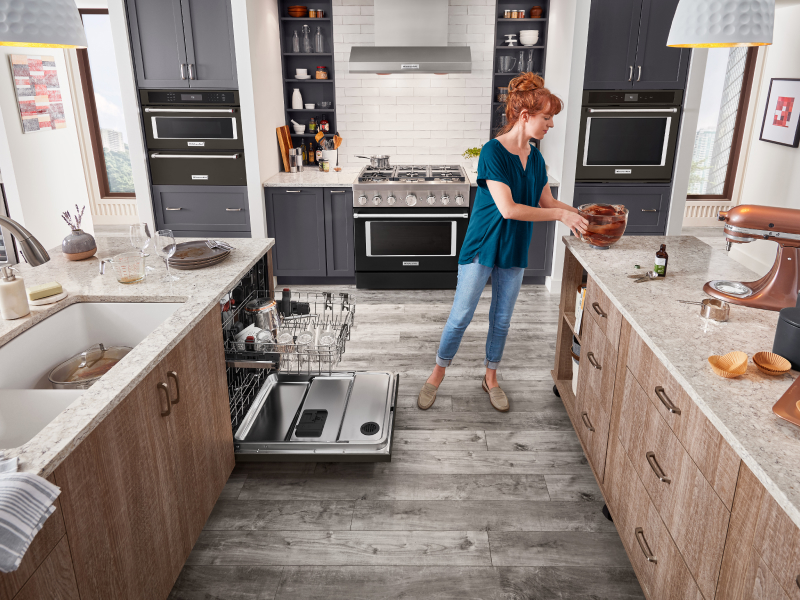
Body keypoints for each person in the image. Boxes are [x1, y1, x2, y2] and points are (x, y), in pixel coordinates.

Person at [417, 72, 589, 412]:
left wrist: (584, 215)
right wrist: (561, 218)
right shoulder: (492, 152)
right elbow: (508, 209)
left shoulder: (537, 159)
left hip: (513, 248)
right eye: (547, 117)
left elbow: (549, 204)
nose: (551, 124)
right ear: (526, 117)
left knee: (502, 319)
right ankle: (437, 373)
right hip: (482, 245)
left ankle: (490, 377)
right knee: (461, 315)